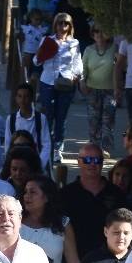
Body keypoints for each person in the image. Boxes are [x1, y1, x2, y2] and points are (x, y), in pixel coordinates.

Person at [32, 13, 83, 165]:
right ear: (55, 25)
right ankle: (45, 146)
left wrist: (76, 76)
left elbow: (77, 62)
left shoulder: (74, 43)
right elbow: (36, 61)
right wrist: (44, 53)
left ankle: (57, 149)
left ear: (70, 26)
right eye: (60, 23)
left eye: (66, 23)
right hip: (47, 81)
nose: (62, 26)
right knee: (48, 116)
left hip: (65, 82)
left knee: (61, 117)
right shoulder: (47, 40)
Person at [80, 27, 117, 152]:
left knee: (108, 120)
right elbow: (82, 69)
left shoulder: (114, 48)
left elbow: (121, 67)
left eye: (102, 31)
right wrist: (82, 83)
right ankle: (94, 148)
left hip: (110, 90)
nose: (99, 34)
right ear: (92, 34)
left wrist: (119, 87)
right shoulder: (88, 50)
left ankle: (106, 148)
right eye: (96, 31)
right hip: (92, 90)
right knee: (93, 122)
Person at [2, 82, 51, 168]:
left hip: (35, 161)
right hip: (17, 163)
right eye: (19, 96)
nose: (23, 100)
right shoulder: (11, 119)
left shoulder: (40, 118)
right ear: (16, 98)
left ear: (32, 98)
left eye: (26, 96)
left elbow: (46, 144)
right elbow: (7, 144)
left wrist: (40, 163)